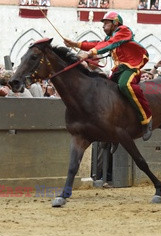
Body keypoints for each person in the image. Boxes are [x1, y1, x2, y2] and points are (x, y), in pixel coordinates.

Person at [64, 11, 153, 140]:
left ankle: (147, 120)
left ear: (115, 23)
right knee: (106, 92)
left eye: (106, 23)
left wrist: (89, 54)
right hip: (118, 69)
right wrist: (75, 44)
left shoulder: (124, 30)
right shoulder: (109, 38)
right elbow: (97, 44)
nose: (103, 26)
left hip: (130, 67)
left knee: (125, 85)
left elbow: (109, 44)